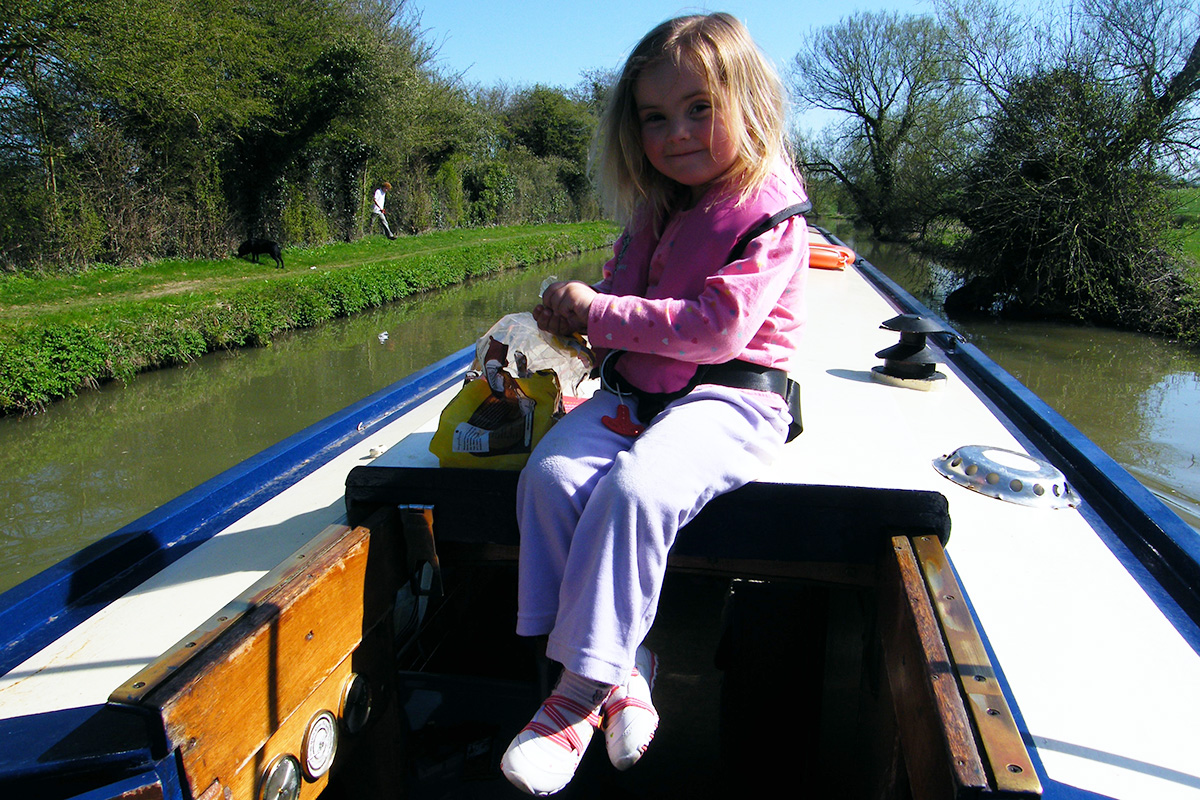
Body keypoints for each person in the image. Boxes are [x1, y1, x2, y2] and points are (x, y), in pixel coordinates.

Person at [500, 12, 810, 796]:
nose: (677, 133)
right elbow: (624, 301)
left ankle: (571, 699)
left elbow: (716, 330)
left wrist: (598, 313)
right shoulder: (659, 207)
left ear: (750, 102)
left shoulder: (769, 214)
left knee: (639, 489)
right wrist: (573, 310)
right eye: (655, 117)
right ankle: (620, 674)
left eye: (700, 107)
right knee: (548, 479)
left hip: (732, 403)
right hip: (642, 395)